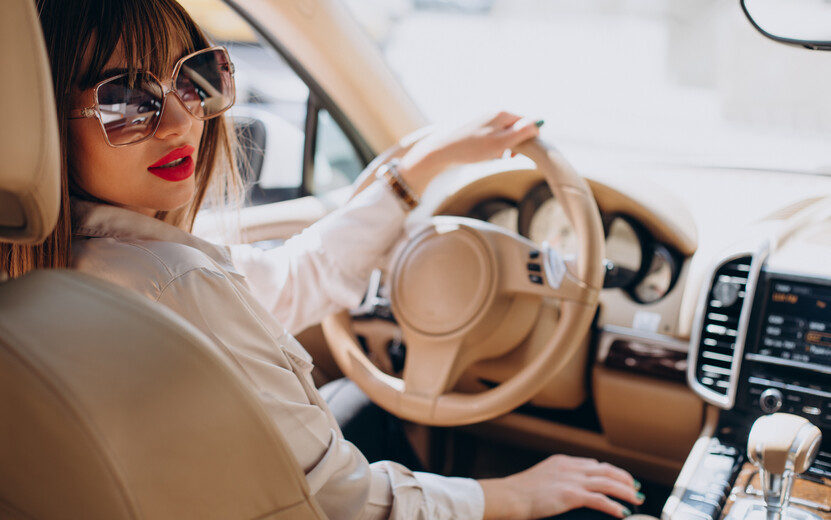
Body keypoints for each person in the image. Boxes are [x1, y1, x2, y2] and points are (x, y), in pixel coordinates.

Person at [2, 0, 645, 518]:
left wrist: (419, 167)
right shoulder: (178, 282)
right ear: (48, 119)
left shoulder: (56, 281)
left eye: (194, 78)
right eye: (125, 100)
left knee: (366, 408)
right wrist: (514, 496)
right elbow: (341, 504)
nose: (179, 121)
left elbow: (292, 280)